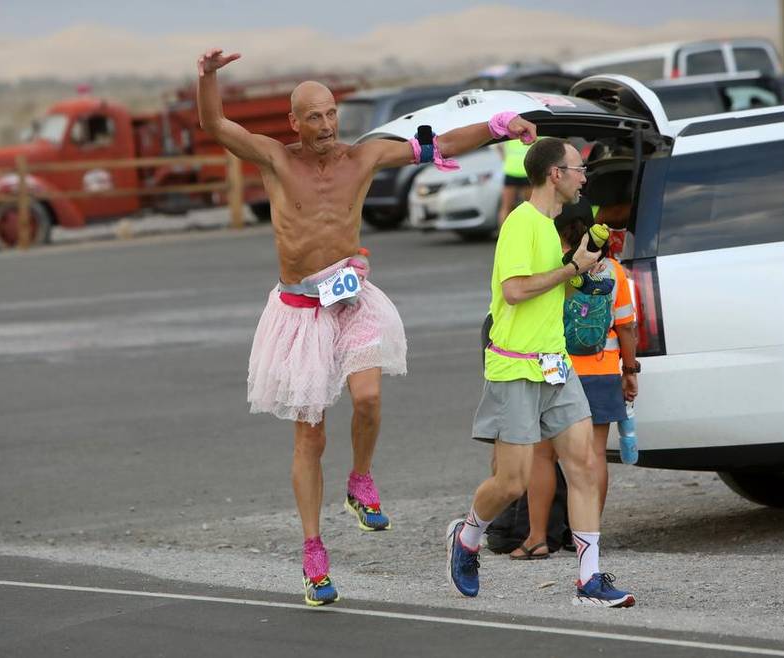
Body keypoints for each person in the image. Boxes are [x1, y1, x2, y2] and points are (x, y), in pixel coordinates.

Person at [196, 48, 538, 607]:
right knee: (310, 436)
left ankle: (360, 480)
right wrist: (208, 77)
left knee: (370, 398)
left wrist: (501, 125)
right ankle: (314, 553)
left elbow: (441, 143)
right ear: (294, 123)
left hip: (351, 301)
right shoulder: (275, 160)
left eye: (331, 114)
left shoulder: (363, 157)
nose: (326, 125)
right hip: (300, 312)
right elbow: (214, 124)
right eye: (314, 117)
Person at [446, 136, 635, 607]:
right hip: (515, 367)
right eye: (578, 169)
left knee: (584, 466)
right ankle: (467, 537)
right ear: (556, 174)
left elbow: (552, 291)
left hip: (556, 365)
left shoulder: (552, 228)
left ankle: (589, 581)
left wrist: (584, 277)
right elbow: (514, 291)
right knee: (512, 481)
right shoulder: (521, 223)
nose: (584, 177)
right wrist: (570, 269)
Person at [507, 209, 639, 561]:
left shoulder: (552, 270)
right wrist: (630, 369)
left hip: (553, 368)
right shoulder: (611, 270)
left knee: (543, 455)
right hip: (601, 369)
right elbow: (626, 326)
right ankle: (587, 537)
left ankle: (537, 538)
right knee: (593, 456)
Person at [496, 138, 533, 227]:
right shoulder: (532, 132)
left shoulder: (510, 133)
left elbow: (498, 146)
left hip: (511, 170)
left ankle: (503, 233)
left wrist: (505, 159)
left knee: (506, 207)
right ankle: (530, 231)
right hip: (526, 171)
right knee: (531, 207)